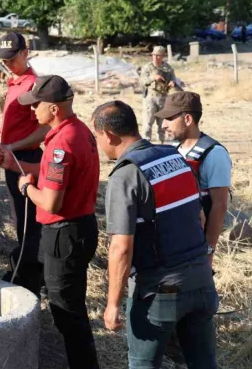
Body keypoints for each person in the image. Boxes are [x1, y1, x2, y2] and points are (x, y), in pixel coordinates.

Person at [92, 100, 218, 369]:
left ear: (109, 135)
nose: (98, 145)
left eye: (97, 137)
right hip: (202, 283)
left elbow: (121, 248)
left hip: (161, 291)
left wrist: (113, 303)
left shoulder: (126, 175)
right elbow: (200, 216)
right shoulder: (174, 157)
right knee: (203, 363)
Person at [0, 75, 100, 368]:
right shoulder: (78, 131)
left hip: (63, 232)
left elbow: (51, 201)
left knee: (68, 315)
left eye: (36, 105)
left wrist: (27, 188)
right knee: (68, 305)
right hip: (78, 228)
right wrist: (18, 167)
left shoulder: (60, 144)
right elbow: (52, 173)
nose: (31, 111)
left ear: (53, 109)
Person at [0, 32, 49, 297]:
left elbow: (43, 129)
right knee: (20, 219)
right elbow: (19, 119)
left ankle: (30, 278)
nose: (8, 64)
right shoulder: (15, 81)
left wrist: (12, 147)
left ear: (26, 52)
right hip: (13, 159)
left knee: (30, 223)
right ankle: (27, 272)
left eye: (12, 59)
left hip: (27, 160)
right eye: (4, 60)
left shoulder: (35, 85)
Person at [157, 92, 231, 267]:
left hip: (195, 248)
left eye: (169, 118)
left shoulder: (214, 154)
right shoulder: (174, 148)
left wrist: (209, 250)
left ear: (188, 119)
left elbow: (219, 206)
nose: (163, 125)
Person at [139, 46, 176, 143]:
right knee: (148, 123)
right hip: (150, 98)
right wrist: (153, 78)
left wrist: (172, 82)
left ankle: (161, 142)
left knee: (162, 123)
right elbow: (142, 81)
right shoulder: (147, 68)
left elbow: (173, 78)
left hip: (163, 98)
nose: (155, 57)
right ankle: (146, 143)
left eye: (158, 55)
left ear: (163, 56)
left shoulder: (167, 68)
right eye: (154, 55)